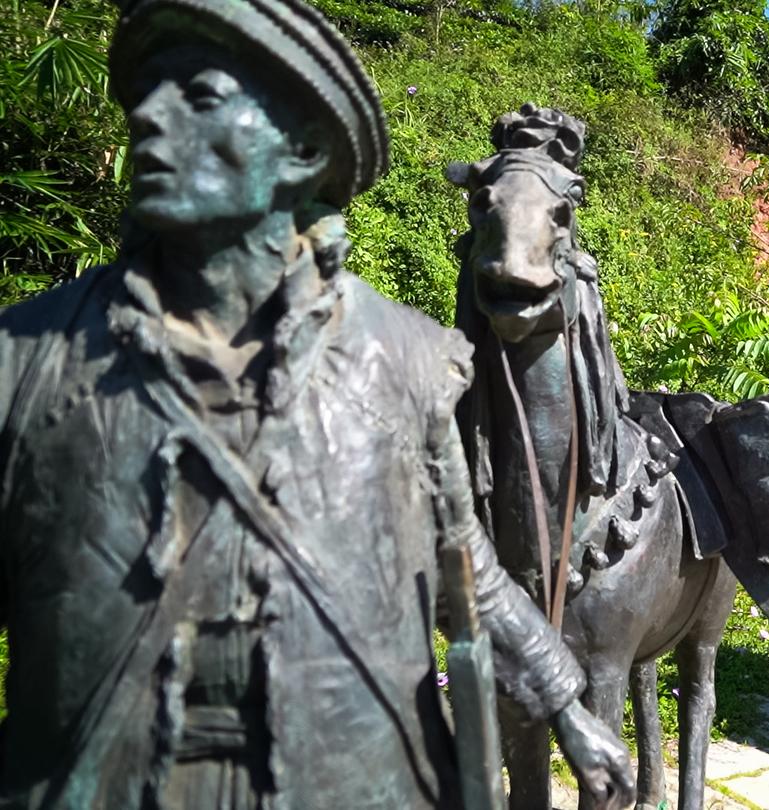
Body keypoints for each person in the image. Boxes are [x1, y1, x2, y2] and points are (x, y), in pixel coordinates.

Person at [0, 0, 634, 806]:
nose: (148, 119)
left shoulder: (405, 358)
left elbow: (461, 567)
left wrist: (569, 709)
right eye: (145, 95)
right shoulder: (26, 362)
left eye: (195, 96)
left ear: (301, 152)